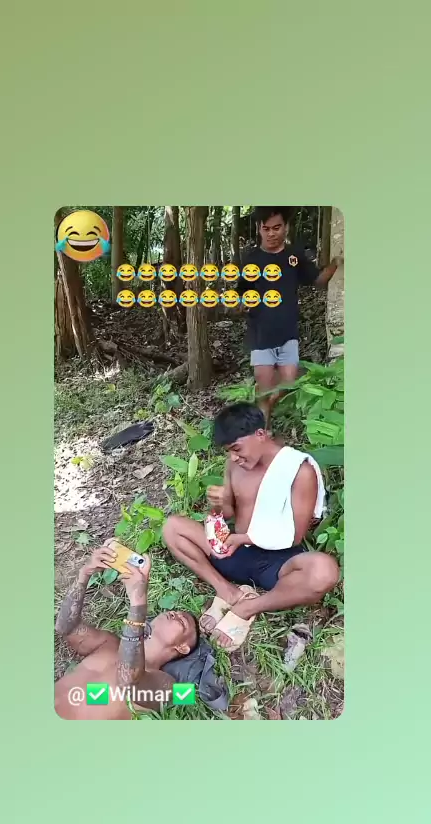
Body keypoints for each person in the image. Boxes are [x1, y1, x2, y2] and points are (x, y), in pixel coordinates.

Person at [163, 403, 339, 651]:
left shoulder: (299, 470)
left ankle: (248, 607)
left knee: (324, 571)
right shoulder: (234, 465)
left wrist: (244, 538)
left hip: (278, 563)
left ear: (260, 434)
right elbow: (228, 513)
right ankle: (227, 591)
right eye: (229, 451)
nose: (234, 457)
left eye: (236, 448)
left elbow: (295, 535)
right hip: (235, 550)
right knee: (173, 527)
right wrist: (218, 505)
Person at [54, 544, 199, 719]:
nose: (175, 614)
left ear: (183, 647)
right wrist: (84, 574)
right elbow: (66, 627)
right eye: (173, 612)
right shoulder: (109, 644)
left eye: (183, 622)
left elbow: (129, 682)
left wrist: (138, 602)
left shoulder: (167, 684)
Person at [240, 206, 344, 425]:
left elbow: (317, 280)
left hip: (288, 333)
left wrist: (335, 264)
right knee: (265, 391)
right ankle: (263, 431)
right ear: (259, 229)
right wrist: (241, 304)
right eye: (266, 229)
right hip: (261, 335)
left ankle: (262, 408)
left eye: (276, 228)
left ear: (286, 227)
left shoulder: (294, 256)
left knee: (287, 385)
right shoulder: (251, 259)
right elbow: (241, 293)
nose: (271, 233)